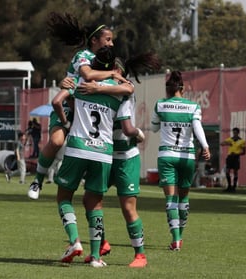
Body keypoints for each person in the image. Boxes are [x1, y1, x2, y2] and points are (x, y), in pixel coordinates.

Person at [27, 12, 128, 200]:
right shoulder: (84, 55)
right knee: (57, 141)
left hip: (89, 109)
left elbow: (124, 83)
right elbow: (87, 75)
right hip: (69, 104)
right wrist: (112, 76)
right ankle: (37, 180)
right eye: (108, 39)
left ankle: (98, 177)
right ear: (95, 40)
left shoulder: (106, 60)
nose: (111, 43)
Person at [54, 47, 136, 268]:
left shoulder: (81, 83)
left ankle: (74, 242)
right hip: (103, 153)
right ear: (112, 67)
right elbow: (130, 87)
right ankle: (96, 257)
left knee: (63, 198)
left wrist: (66, 119)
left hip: (78, 148)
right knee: (95, 203)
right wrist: (108, 82)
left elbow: (57, 101)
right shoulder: (120, 91)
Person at [77, 52, 160, 267]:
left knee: (128, 208)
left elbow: (127, 127)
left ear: (119, 72)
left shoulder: (123, 91)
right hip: (103, 154)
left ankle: (140, 254)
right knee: (89, 200)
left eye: (111, 70)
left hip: (124, 157)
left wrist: (137, 132)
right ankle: (101, 244)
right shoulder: (96, 87)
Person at [150, 70, 211, 251]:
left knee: (171, 199)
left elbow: (153, 128)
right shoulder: (193, 107)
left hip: (167, 156)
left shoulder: (160, 104)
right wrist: (205, 146)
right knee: (184, 198)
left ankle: (175, 239)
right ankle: (180, 236)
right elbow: (197, 126)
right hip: (187, 157)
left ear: (168, 90)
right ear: (182, 89)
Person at [220, 127, 246, 192]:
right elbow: (221, 143)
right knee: (227, 171)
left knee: (235, 172)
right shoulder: (230, 139)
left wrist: (237, 154)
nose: (234, 134)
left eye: (235, 133)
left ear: (238, 133)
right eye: (233, 133)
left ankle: (234, 187)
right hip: (230, 157)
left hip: (236, 157)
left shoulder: (241, 141)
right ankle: (229, 186)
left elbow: (244, 152)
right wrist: (227, 143)